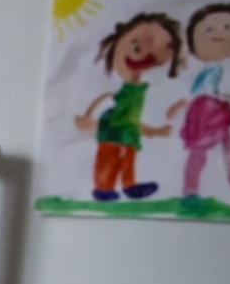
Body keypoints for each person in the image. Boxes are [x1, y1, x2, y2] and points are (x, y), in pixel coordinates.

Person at [73, 12, 183, 201]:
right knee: (109, 159)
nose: (141, 50)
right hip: (112, 132)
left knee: (127, 159)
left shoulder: (141, 90)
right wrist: (89, 118)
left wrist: (154, 130)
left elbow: (134, 119)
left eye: (154, 47)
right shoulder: (114, 90)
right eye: (135, 42)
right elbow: (110, 110)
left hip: (128, 133)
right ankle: (104, 188)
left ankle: (130, 186)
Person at [164, 1, 230, 200]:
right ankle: (191, 191)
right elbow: (196, 92)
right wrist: (180, 105)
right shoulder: (206, 70)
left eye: (227, 27)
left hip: (224, 113)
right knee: (200, 152)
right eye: (208, 29)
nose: (217, 32)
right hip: (206, 114)